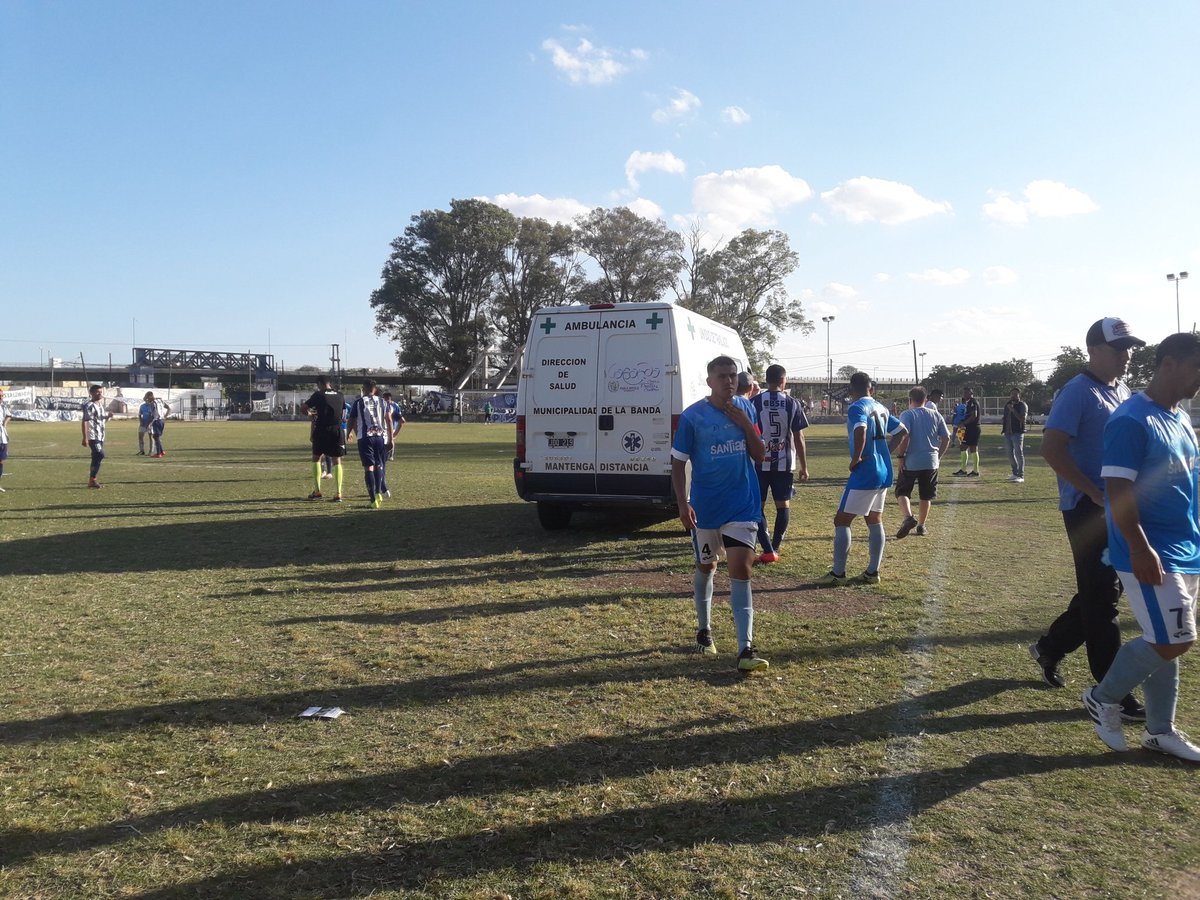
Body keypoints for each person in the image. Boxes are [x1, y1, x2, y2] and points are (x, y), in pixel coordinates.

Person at [1081, 332, 1200, 761]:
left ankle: (1159, 731)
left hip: (1187, 547)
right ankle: (1101, 696)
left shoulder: (1181, 417)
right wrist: (1139, 547)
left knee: (1164, 637)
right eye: (1197, 368)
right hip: (1149, 549)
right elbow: (1117, 491)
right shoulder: (1132, 419)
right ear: (1168, 363)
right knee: (1176, 638)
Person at [1029, 317, 1145, 722]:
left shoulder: (1122, 390)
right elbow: (1052, 448)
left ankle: (1052, 647)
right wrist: (1091, 490)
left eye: (1130, 347)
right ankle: (1113, 692)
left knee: (1105, 591)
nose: (1127, 355)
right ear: (1094, 351)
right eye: (1120, 348)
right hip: (1087, 508)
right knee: (1102, 599)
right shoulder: (1077, 393)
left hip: (1118, 504)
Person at [670, 355, 770, 673]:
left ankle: (745, 649)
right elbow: (676, 463)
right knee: (707, 566)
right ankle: (704, 630)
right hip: (706, 507)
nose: (729, 381)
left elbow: (760, 454)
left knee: (741, 569)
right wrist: (683, 503)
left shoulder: (747, 407)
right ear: (709, 380)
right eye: (722, 376)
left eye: (733, 376)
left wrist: (744, 423)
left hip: (743, 504)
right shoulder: (692, 417)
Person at [816, 372, 907, 585]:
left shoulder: (857, 407)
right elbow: (902, 431)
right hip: (883, 470)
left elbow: (861, 429)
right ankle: (872, 572)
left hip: (866, 471)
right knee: (874, 520)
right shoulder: (881, 408)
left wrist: (857, 457)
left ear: (850, 390)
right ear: (871, 389)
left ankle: (838, 574)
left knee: (842, 520)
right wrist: (885, 451)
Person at [750, 363, 810, 563]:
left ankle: (767, 549)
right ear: (783, 380)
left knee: (757, 505)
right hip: (784, 463)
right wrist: (804, 465)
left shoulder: (755, 402)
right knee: (782, 505)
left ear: (767, 380)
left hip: (759, 462)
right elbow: (799, 437)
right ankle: (774, 547)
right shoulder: (792, 403)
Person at [893, 386, 950, 539]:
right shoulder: (936, 415)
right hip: (931, 461)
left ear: (909, 400)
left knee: (902, 491)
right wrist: (938, 456)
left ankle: (908, 517)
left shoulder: (907, 414)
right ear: (926, 400)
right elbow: (946, 438)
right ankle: (922, 526)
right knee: (926, 495)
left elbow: (904, 436)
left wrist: (901, 456)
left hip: (911, 460)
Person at [347, 378, 391, 509]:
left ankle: (373, 500)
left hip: (365, 437)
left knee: (368, 468)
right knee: (378, 465)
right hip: (380, 437)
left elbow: (352, 419)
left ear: (364, 389)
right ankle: (378, 494)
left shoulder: (359, 402)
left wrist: (348, 432)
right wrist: (391, 439)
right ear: (375, 389)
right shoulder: (383, 401)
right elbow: (388, 420)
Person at [301, 375, 346, 502]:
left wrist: (311, 414)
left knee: (316, 458)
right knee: (337, 460)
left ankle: (317, 491)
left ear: (320, 384)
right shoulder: (340, 395)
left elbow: (303, 408)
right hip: (337, 430)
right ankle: (338, 493)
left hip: (321, 429)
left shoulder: (318, 395)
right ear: (329, 383)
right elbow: (343, 414)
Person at [81, 384, 112, 488]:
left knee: (96, 457)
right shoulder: (89, 405)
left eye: (101, 392)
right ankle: (92, 479)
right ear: (92, 393)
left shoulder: (100, 406)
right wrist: (85, 437)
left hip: (101, 435)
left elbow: (101, 420)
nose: (100, 393)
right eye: (97, 392)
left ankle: (92, 480)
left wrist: (108, 417)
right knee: (100, 454)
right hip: (92, 435)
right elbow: (85, 421)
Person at [381, 391, 406, 499]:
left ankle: (381, 488)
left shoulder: (391, 407)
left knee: (377, 464)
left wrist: (395, 433)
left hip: (381, 435)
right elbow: (402, 420)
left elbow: (401, 420)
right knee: (381, 464)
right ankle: (381, 487)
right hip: (387, 433)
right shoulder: (389, 407)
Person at [1001, 387, 1029, 483]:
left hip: (1017, 433)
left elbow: (1022, 419)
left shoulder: (1022, 405)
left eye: (1015, 394)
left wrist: (1013, 410)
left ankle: (1021, 475)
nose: (1013, 395)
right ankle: (1015, 473)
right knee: (1009, 454)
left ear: (1019, 395)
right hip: (1008, 433)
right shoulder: (1007, 405)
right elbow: (1005, 417)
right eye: (1012, 394)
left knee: (1018, 453)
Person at [953, 388, 981, 477]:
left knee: (972, 448)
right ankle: (964, 469)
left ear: (971, 393)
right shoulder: (968, 403)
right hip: (969, 428)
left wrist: (964, 423)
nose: (964, 394)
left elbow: (974, 415)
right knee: (963, 447)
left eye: (966, 392)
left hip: (973, 428)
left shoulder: (973, 402)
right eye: (963, 392)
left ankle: (975, 471)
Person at [149, 392, 171, 458]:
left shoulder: (152, 403)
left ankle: (158, 453)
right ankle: (161, 451)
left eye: (147, 399)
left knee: (156, 437)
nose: (147, 401)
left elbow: (152, 414)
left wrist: (150, 423)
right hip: (162, 420)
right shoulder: (160, 401)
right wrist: (165, 416)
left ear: (150, 397)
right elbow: (169, 408)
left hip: (157, 421)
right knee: (157, 437)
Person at [0, 388, 11, 492]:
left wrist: (4, 424)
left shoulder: (3, 406)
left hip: (2, 437)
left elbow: (9, 415)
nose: (1, 398)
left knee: (1, 460)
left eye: (2, 396)